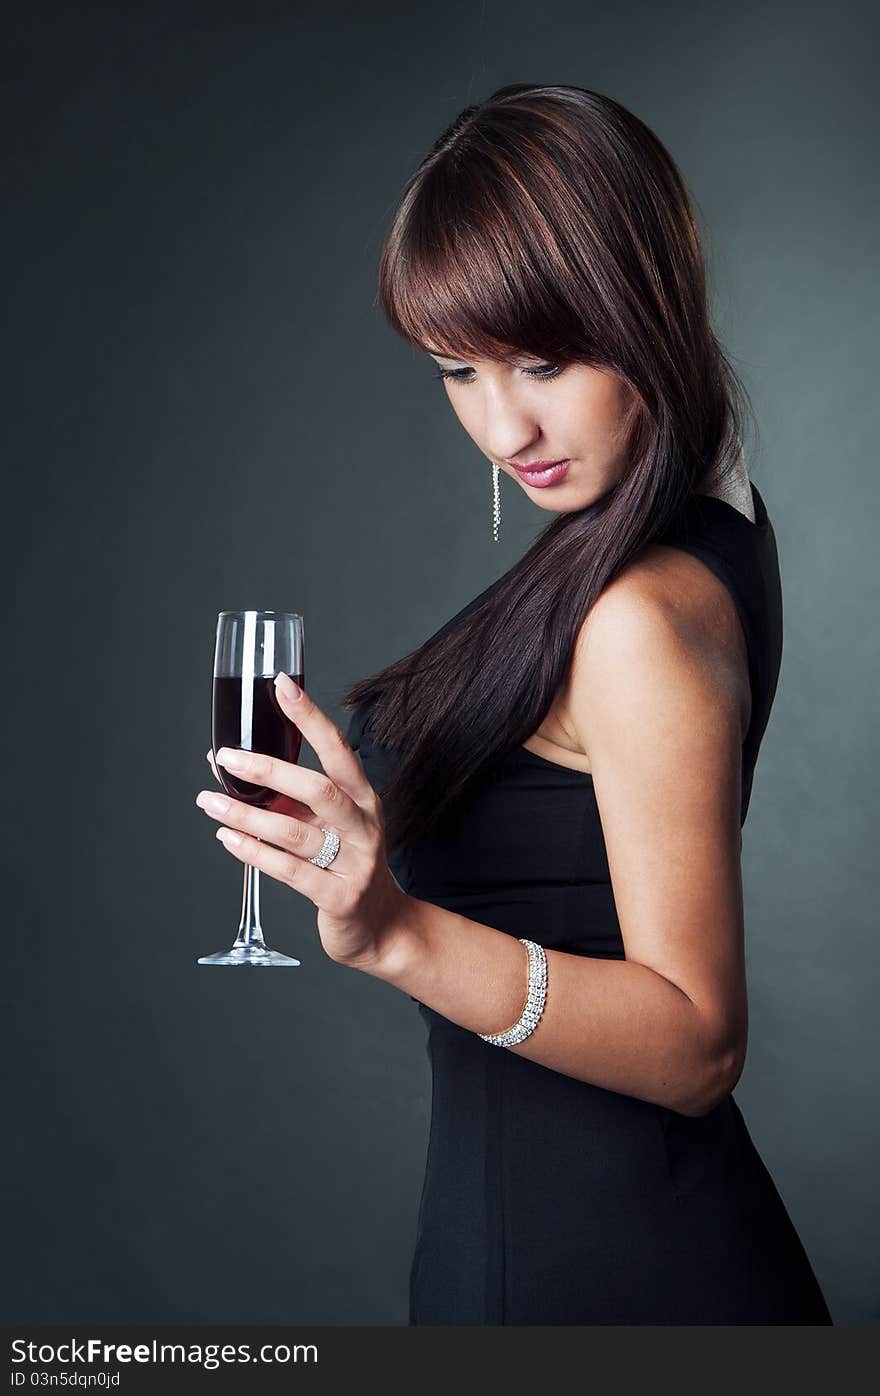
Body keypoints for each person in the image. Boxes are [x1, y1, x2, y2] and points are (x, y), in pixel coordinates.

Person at [199, 83, 833, 1324]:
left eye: (543, 360)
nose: (504, 425)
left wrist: (391, 931)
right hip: (553, 1244)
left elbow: (699, 1044)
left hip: (602, 1277)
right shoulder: (696, 520)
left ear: (644, 309)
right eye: (457, 370)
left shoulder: (638, 618)